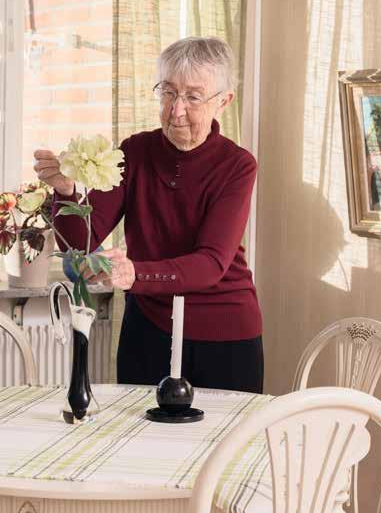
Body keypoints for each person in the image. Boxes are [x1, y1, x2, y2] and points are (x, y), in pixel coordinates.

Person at [34, 37, 263, 394]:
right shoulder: (136, 151)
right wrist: (65, 192)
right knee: (135, 440)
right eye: (168, 93)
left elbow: (210, 263)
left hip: (224, 331)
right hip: (149, 327)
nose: (176, 110)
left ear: (223, 102)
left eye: (193, 96)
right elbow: (81, 241)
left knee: (222, 444)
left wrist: (134, 272)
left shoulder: (237, 165)